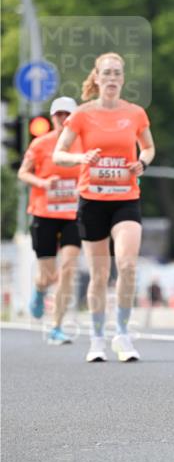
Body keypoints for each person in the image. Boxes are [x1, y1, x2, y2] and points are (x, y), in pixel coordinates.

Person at [54, 52, 155, 362]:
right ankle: (97, 337)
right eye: (106, 73)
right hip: (92, 200)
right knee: (99, 275)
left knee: (126, 265)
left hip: (125, 199)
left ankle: (122, 333)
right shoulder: (82, 115)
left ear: (123, 79)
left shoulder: (136, 113)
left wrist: (141, 162)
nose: (111, 77)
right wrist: (81, 159)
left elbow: (149, 147)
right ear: (96, 78)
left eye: (116, 73)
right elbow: (60, 154)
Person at [17, 96, 82, 344]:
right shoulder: (41, 144)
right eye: (59, 115)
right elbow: (24, 172)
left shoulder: (82, 144)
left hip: (72, 215)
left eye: (68, 115)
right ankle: (40, 288)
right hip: (44, 213)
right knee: (49, 274)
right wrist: (43, 183)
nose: (64, 119)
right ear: (53, 117)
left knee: (68, 268)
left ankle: (56, 326)